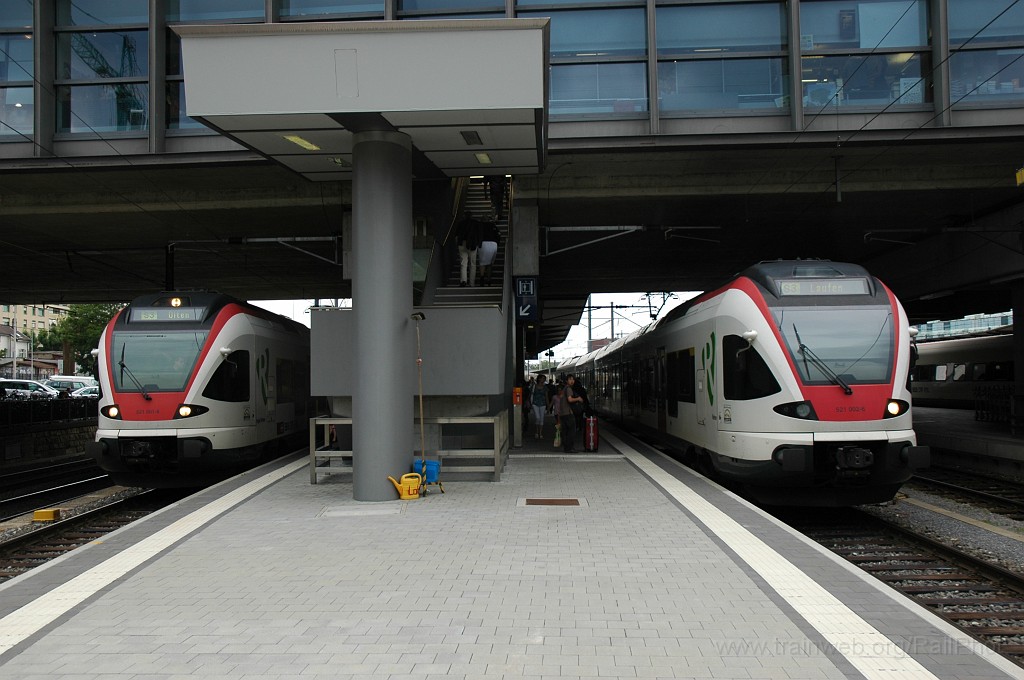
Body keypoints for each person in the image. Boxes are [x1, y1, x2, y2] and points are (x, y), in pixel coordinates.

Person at [454, 211, 481, 287]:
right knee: (473, 264)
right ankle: (472, 283)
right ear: (472, 216)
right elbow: (478, 234)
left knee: (463, 263)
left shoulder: (460, 223)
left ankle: (463, 281)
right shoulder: (476, 223)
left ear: (464, 216)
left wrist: (457, 244)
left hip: (462, 244)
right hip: (472, 244)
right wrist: (478, 244)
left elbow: (456, 236)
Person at [557, 375, 583, 453]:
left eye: (573, 379)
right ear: (566, 381)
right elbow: (570, 399)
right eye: (570, 379)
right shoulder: (568, 389)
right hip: (568, 413)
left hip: (563, 413)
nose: (572, 381)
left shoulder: (564, 389)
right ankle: (570, 448)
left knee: (565, 431)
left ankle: (566, 448)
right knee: (572, 431)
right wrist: (578, 398)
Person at [477, 217, 500, 286]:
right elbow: (498, 235)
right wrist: (497, 243)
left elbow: (477, 235)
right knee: (490, 264)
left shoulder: (480, 226)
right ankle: (489, 280)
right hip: (493, 244)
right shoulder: (493, 225)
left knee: (482, 263)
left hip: (483, 243)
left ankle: (482, 278)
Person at [529, 374, 548, 440]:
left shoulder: (545, 387)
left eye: (544, 379)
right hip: (535, 403)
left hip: (543, 404)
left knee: (541, 418)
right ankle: (537, 431)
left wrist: (548, 406)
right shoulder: (534, 386)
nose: (544, 380)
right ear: (539, 379)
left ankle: (540, 433)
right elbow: (530, 394)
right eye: (543, 378)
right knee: (538, 417)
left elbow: (546, 396)